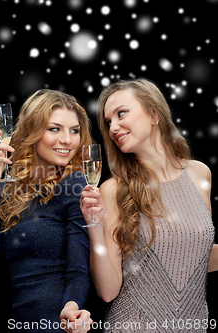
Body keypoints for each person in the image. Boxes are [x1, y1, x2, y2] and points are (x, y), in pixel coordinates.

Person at [80, 78, 218, 332]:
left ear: (154, 113)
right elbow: (108, 291)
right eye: (108, 122)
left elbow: (196, 255)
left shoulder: (200, 175)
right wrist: (93, 224)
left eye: (121, 114)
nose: (113, 128)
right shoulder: (113, 190)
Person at [0, 89, 93, 333]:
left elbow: (78, 270)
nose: (67, 140)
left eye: (74, 130)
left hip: (58, 323)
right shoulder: (9, 191)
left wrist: (72, 306)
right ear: (33, 132)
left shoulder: (75, 184)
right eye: (55, 129)